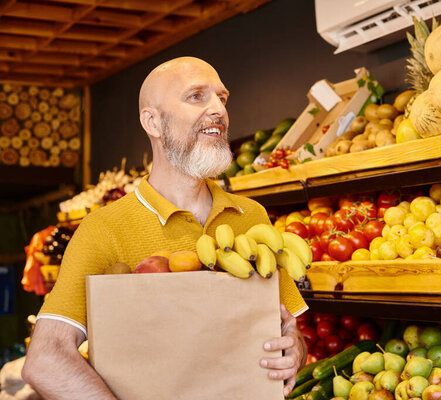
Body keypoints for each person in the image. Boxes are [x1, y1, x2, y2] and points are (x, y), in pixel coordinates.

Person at [22, 57, 308, 398]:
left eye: (222, 97)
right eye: (197, 96)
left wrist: (295, 350)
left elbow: (291, 333)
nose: (219, 109)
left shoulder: (252, 216)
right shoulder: (104, 228)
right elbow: (45, 358)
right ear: (153, 122)